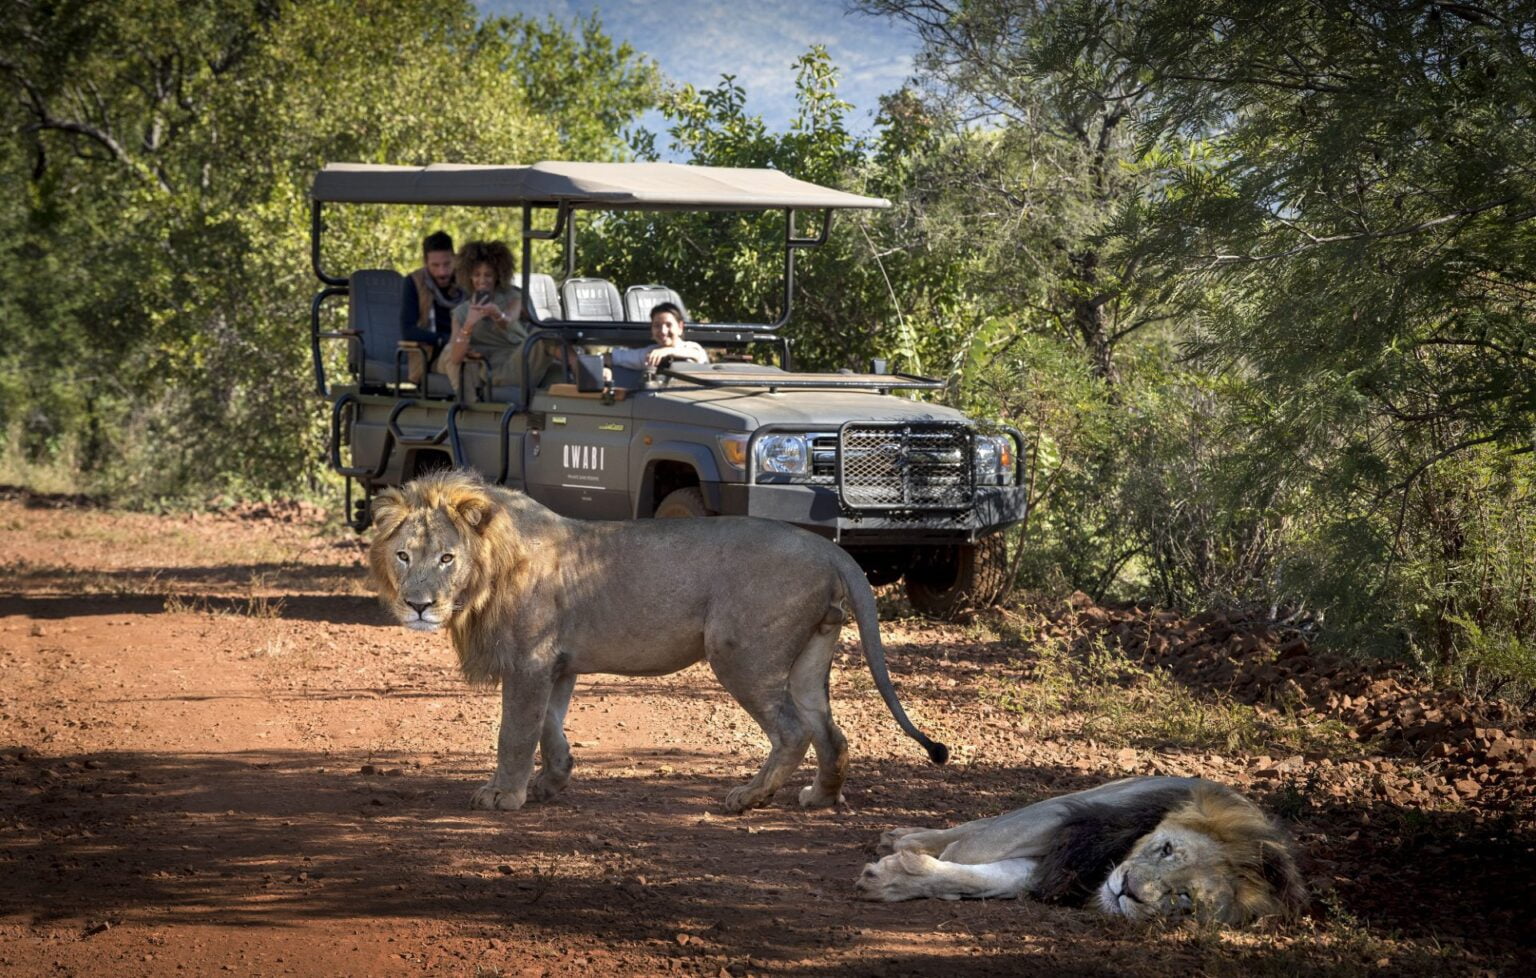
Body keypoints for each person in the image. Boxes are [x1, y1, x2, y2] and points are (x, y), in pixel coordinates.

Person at [435, 240, 529, 402]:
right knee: (457, 355)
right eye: (477, 275)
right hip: (488, 365)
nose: (482, 280)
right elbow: (454, 356)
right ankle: (471, 406)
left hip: (517, 356)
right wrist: (469, 323)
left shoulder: (513, 297)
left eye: (488, 275)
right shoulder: (461, 312)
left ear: (497, 276)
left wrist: (497, 314)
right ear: (469, 277)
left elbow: (508, 320)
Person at [399, 230, 463, 383]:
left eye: (447, 264)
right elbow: (408, 330)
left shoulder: (465, 280)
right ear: (425, 262)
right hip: (432, 356)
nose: (442, 272)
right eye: (435, 265)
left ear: (454, 259)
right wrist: (444, 339)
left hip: (468, 346)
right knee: (457, 356)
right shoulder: (414, 282)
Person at [610, 302, 709, 372]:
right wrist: (605, 367)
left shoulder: (692, 348)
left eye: (669, 325)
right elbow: (613, 357)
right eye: (657, 326)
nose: (663, 331)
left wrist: (668, 351)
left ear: (680, 327)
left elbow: (696, 355)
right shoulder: (650, 354)